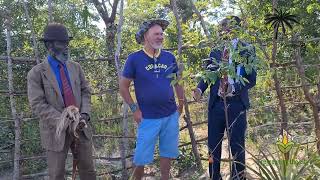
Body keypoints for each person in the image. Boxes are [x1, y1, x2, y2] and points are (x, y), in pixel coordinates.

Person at [27, 23, 96, 180]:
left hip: (81, 127)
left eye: (67, 43)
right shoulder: (36, 73)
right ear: (49, 45)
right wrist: (65, 120)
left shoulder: (76, 67)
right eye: (61, 43)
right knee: (56, 174)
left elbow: (86, 91)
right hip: (55, 132)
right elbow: (38, 104)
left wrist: (84, 114)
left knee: (88, 171)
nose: (66, 47)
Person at [119, 19, 184, 180]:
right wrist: (135, 109)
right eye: (156, 34)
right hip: (147, 117)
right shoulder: (134, 59)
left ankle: (164, 178)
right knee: (141, 157)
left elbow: (178, 82)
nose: (160, 37)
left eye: (162, 34)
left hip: (170, 115)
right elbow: (123, 86)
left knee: (167, 152)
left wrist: (181, 104)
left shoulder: (169, 57)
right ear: (146, 36)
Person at [193, 16, 257, 179]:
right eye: (223, 27)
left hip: (237, 104)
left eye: (229, 27)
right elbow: (208, 75)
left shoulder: (247, 49)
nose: (225, 31)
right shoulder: (215, 51)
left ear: (237, 29)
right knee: (213, 146)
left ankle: (238, 176)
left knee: (237, 145)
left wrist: (233, 87)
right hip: (216, 106)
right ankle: (214, 176)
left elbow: (252, 79)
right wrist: (200, 89)